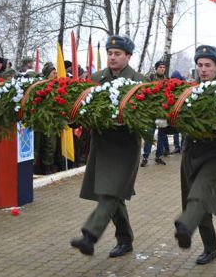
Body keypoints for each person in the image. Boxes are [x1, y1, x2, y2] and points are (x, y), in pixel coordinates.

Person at [70, 35, 142, 258]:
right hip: (102, 144)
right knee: (111, 194)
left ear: (128, 56)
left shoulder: (140, 81)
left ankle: (90, 236)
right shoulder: (97, 78)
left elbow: (145, 115)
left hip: (126, 147)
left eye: (117, 54)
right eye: (110, 54)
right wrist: (74, 117)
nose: (112, 57)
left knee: (110, 193)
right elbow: (83, 106)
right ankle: (125, 240)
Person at [174, 45, 216, 266]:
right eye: (200, 65)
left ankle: (185, 227)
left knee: (197, 195)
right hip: (191, 152)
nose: (203, 69)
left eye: (208, 65)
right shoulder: (188, 91)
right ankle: (210, 247)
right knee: (198, 200)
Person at [141, 61, 168, 166]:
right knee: (149, 135)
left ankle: (158, 157)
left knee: (161, 136)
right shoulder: (150, 78)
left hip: (162, 112)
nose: (162, 69)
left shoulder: (167, 80)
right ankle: (145, 157)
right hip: (151, 111)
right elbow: (144, 91)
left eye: (163, 67)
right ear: (156, 68)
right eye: (160, 67)